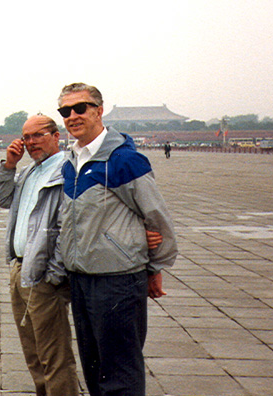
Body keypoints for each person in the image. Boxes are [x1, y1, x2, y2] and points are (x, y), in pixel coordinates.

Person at [0, 115, 163, 396]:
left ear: (55, 135)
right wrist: (9, 166)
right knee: (33, 352)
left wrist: (55, 272)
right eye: (26, 137)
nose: (31, 142)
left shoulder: (66, 170)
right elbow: (1, 199)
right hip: (20, 268)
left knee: (53, 355)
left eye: (38, 135)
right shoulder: (27, 172)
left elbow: (72, 224)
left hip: (44, 275)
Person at [56, 82, 178, 396]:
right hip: (81, 278)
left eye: (80, 108)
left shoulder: (124, 160)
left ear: (98, 110)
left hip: (117, 281)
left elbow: (157, 218)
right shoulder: (73, 160)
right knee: (94, 367)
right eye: (65, 111)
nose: (72, 116)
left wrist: (155, 268)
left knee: (120, 372)